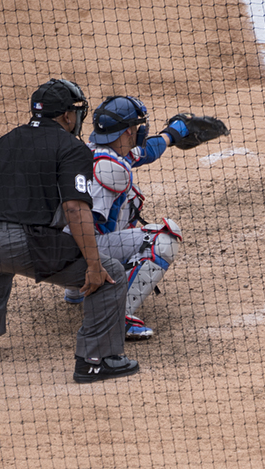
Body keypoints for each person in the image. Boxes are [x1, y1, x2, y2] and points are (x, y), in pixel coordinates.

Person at [0, 78, 138, 382]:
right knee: (110, 274)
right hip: (22, 245)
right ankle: (96, 360)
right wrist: (94, 265)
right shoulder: (71, 148)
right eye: (76, 111)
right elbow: (75, 208)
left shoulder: (8, 139)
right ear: (66, 116)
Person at [63, 96, 187, 341]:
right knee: (164, 237)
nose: (140, 131)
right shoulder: (112, 170)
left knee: (126, 203)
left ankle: (75, 291)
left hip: (52, 247)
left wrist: (170, 135)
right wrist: (92, 265)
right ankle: (119, 316)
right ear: (129, 131)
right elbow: (83, 219)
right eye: (138, 127)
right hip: (77, 254)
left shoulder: (89, 152)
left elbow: (144, 152)